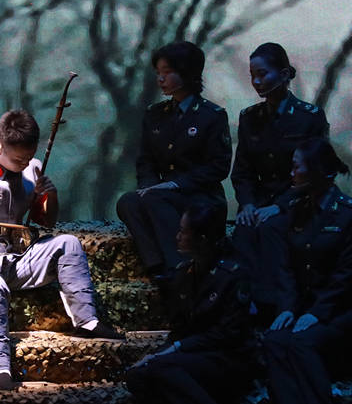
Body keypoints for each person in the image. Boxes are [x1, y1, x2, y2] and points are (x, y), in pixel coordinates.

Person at [0, 109, 123, 391]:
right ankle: (1, 370)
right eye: (18, 159)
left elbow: (47, 220)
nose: (25, 164)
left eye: (29, 157)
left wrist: (50, 194)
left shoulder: (33, 167)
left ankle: (87, 321)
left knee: (67, 244)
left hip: (15, 259)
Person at [231, 43, 329, 320]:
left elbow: (315, 173)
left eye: (263, 74)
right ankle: (245, 305)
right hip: (260, 203)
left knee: (272, 228)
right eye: (252, 75)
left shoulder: (309, 117)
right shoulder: (250, 117)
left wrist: (281, 206)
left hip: (298, 202)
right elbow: (242, 171)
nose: (256, 82)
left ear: (284, 74)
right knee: (244, 230)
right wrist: (248, 205)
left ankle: (274, 308)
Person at [116, 41, 232, 276]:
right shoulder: (155, 113)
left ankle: (178, 267)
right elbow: (146, 160)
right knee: (128, 201)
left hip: (201, 197)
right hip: (161, 195)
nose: (161, 79)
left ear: (188, 73)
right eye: (158, 72)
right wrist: (149, 186)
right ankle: (155, 265)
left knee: (155, 199)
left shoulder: (212, 115)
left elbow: (218, 167)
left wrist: (175, 185)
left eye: (167, 72)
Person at [125, 203, 253, 404]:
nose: (178, 236)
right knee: (137, 375)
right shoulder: (184, 274)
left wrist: (178, 348)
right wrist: (157, 353)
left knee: (163, 368)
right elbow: (179, 327)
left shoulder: (231, 276)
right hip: (192, 354)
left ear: (202, 238)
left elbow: (226, 334)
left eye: (184, 232)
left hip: (224, 357)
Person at [263, 138, 351, 404]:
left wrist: (317, 313)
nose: (291, 173)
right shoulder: (297, 210)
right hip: (304, 307)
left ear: (316, 170)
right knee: (274, 341)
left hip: (339, 310)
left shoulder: (346, 214)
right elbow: (287, 267)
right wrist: (287, 308)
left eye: (296, 167)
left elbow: (346, 276)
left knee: (301, 342)